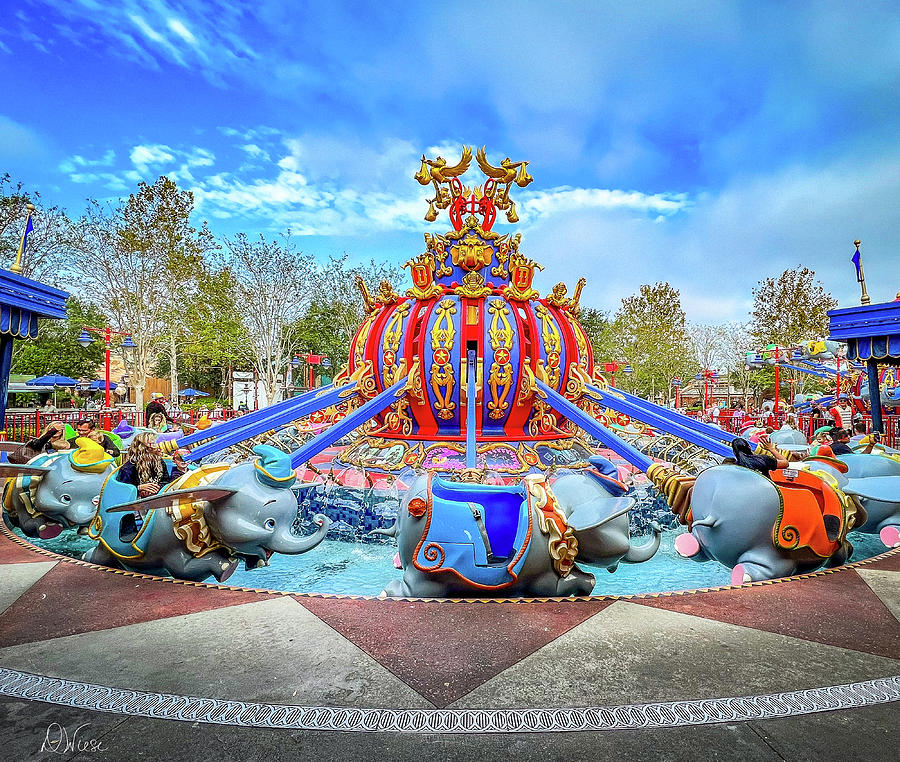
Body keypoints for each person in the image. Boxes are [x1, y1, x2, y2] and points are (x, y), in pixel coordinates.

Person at [115, 433, 187, 497]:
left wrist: (156, 488)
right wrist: (139, 488)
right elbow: (122, 491)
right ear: (143, 448)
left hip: (156, 498)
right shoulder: (128, 468)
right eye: (153, 444)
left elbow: (166, 481)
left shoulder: (159, 462)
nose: (157, 447)